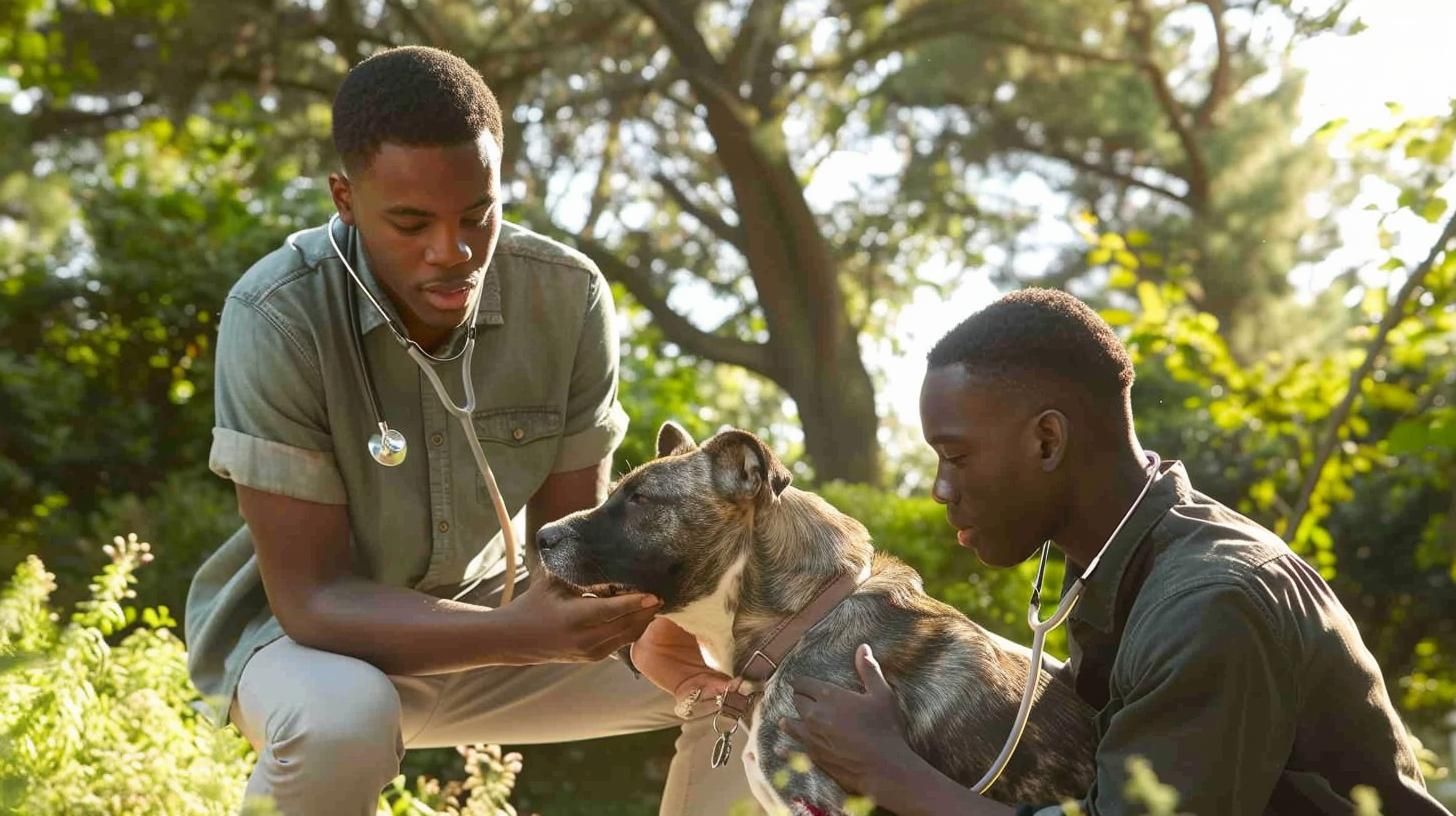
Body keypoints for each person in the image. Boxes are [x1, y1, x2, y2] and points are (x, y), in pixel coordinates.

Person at [183, 45, 753, 816]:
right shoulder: (277, 315)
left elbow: (573, 557)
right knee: (342, 721)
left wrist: (640, 623)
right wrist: (524, 633)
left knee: (755, 672)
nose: (453, 253)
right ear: (345, 199)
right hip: (314, 647)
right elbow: (311, 599)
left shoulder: (569, 296)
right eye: (412, 223)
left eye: (477, 215)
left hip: (503, 612)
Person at [768, 289, 1451, 814]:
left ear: (1047, 442)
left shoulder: (1213, 603)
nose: (941, 488)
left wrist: (892, 771)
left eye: (956, 455)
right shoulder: (1122, 563)